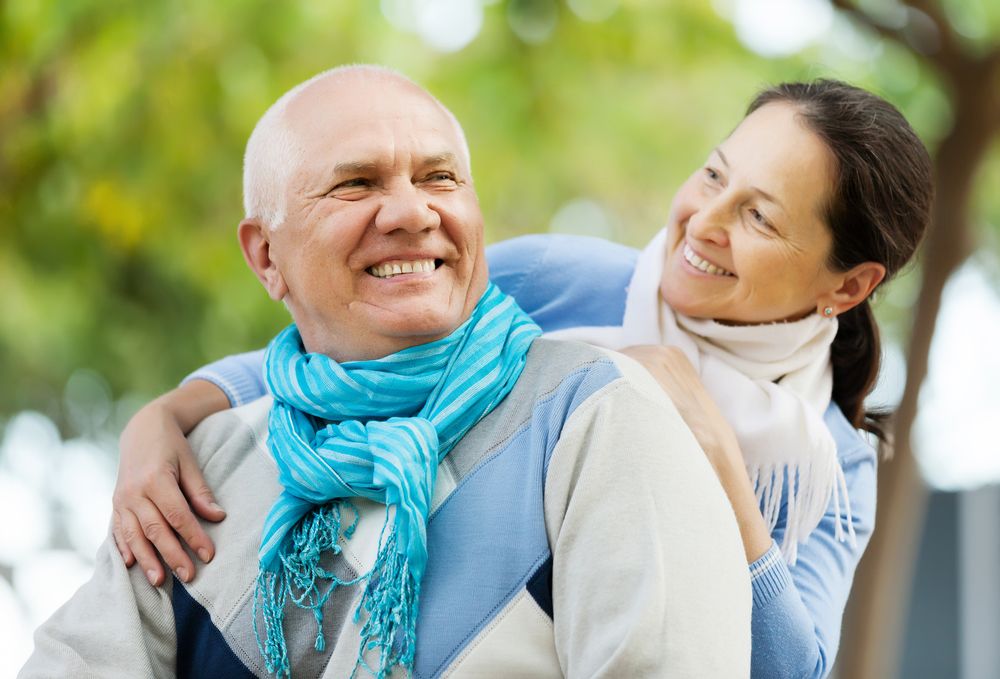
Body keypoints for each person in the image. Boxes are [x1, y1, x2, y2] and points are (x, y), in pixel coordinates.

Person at [108, 77, 934, 678]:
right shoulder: (559, 281)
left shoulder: (832, 458)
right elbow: (344, 348)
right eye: (715, 176)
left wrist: (716, 455)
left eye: (760, 216)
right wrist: (167, 417)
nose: (703, 223)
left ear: (848, 285)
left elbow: (794, 668)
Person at [20, 66, 752, 678]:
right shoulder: (201, 465)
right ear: (265, 257)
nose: (410, 212)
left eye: (439, 177)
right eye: (356, 184)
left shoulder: (595, 418)